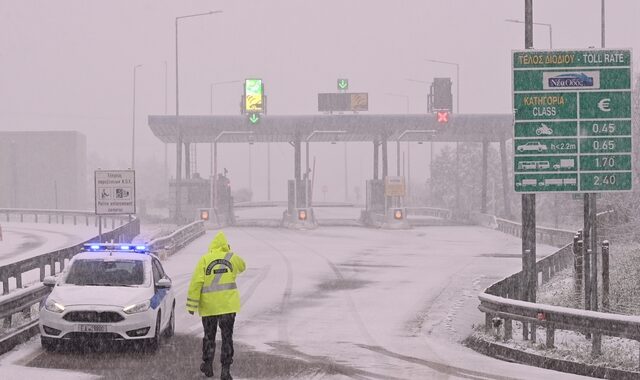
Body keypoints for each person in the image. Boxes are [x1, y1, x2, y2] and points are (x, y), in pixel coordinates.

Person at [187, 231, 246, 379]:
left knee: (209, 336)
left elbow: (196, 283)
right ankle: (225, 370)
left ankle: (207, 364)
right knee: (227, 337)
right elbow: (243, 266)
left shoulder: (205, 260)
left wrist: (191, 305)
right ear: (225, 246)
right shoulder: (231, 258)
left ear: (212, 246)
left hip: (209, 308)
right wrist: (228, 253)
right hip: (228, 307)